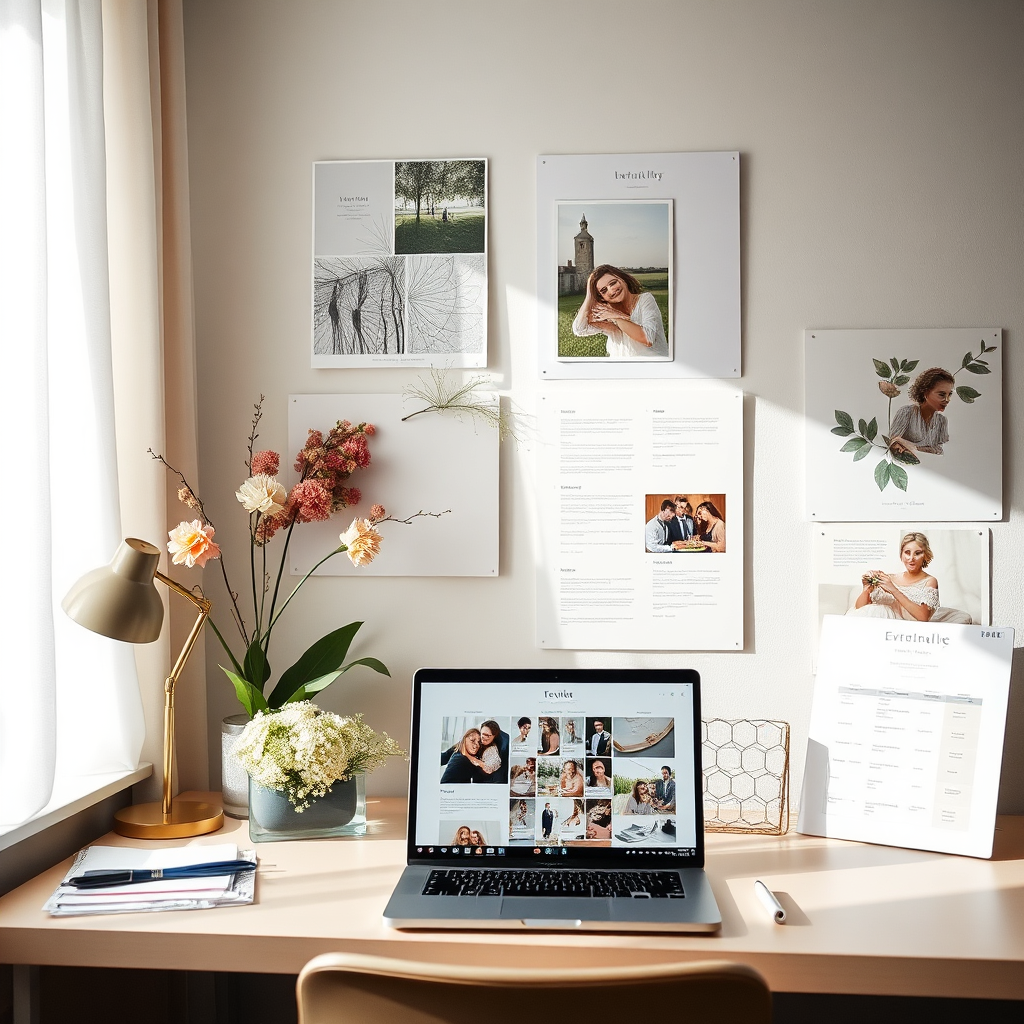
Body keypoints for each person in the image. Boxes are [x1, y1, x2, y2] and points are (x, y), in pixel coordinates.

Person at [571, 264, 669, 359]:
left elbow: (647, 338)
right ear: (602, 297)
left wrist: (616, 317)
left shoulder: (645, 299)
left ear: (622, 279)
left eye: (613, 283)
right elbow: (579, 329)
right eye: (604, 291)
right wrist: (589, 295)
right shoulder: (606, 312)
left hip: (652, 369)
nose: (611, 290)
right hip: (619, 370)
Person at [849, 531, 939, 622]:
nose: (911, 558)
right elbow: (859, 610)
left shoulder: (929, 581)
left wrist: (893, 589)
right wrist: (866, 590)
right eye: (907, 552)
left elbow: (923, 617)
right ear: (901, 554)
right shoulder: (888, 578)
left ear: (925, 555)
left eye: (917, 553)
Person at [889, 368, 955, 456]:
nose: (947, 400)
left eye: (949, 394)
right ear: (925, 393)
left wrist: (912, 447)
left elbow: (939, 451)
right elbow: (893, 442)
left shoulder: (942, 421)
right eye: (942, 395)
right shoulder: (906, 413)